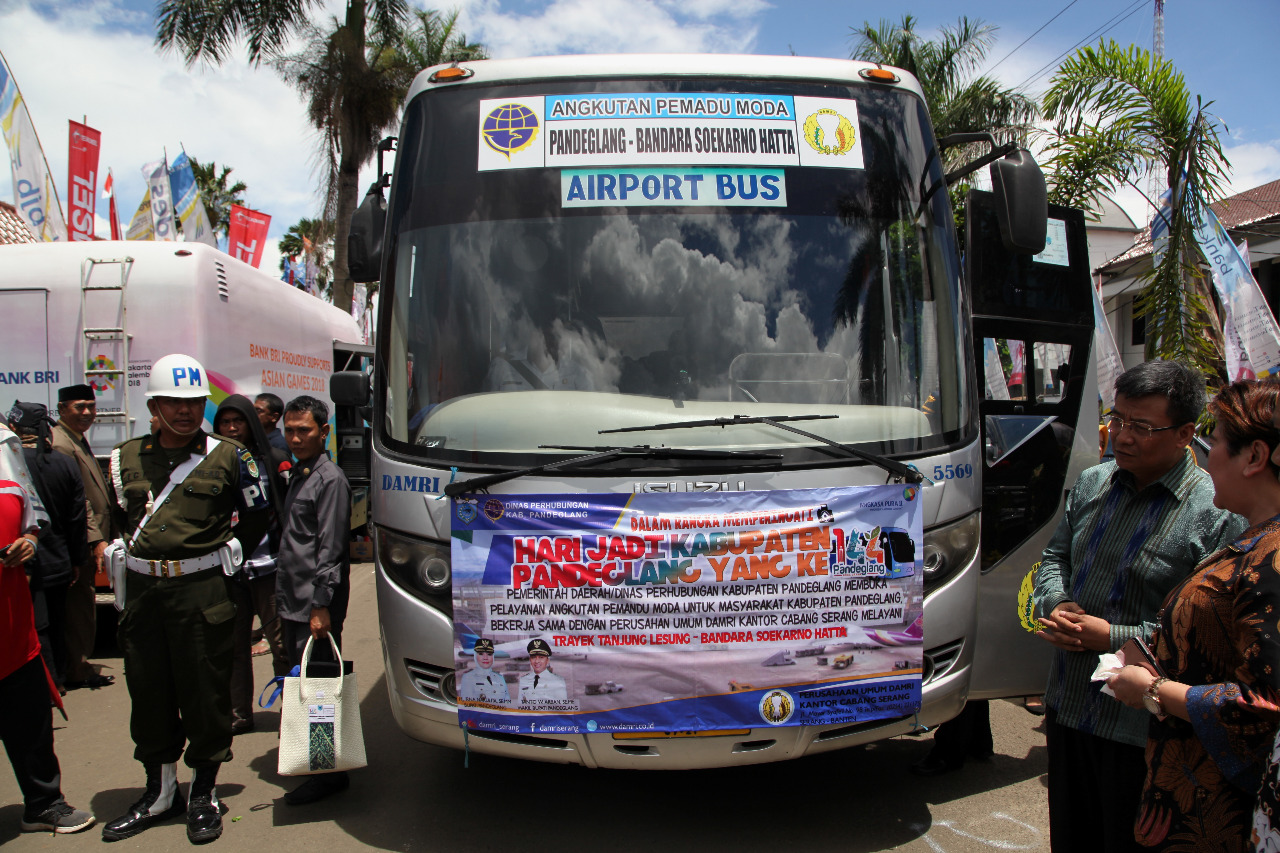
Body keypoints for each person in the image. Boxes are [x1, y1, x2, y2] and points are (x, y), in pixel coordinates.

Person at [1032, 360, 1246, 853]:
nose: (1123, 437)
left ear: (1185, 434)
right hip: (1068, 708)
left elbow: (1206, 634)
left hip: (1143, 731)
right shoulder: (1093, 484)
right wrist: (1058, 600)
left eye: (1142, 427)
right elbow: (1054, 557)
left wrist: (1110, 636)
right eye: (1119, 420)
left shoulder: (1215, 513)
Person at [101, 354, 271, 844]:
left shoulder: (230, 456)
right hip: (145, 595)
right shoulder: (125, 457)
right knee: (149, 693)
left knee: (205, 693)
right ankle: (158, 791)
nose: (185, 412)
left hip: (203, 592)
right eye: (173, 403)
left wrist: (220, 551)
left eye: (194, 402)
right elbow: (120, 517)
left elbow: (258, 516)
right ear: (153, 405)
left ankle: (203, 792)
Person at [1106, 380, 1280, 851]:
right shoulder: (1254, 541)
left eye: (1217, 441)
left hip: (1218, 812)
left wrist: (1155, 691)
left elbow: (1262, 703)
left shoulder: (1273, 561)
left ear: (1255, 456)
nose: (1208, 456)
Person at [1, 463, 95, 834]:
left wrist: (29, 543)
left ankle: (43, 803)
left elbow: (31, 526)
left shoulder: (9, 484)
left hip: (14, 634)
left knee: (31, 724)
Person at [275, 394, 352, 806]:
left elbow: (330, 549)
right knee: (303, 685)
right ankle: (313, 758)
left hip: (313, 606)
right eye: (289, 430)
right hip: (293, 600)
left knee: (320, 689)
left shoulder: (330, 480)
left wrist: (321, 606)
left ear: (324, 432)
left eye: (303, 430)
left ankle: (328, 772)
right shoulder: (300, 474)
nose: (295, 437)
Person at [213, 395, 290, 735]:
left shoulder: (272, 459)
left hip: (269, 567)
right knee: (233, 645)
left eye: (238, 421)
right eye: (224, 422)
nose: (231, 428)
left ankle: (291, 710)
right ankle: (238, 712)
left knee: (280, 644)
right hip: (229, 572)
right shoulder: (210, 464)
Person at [8, 402, 87, 693]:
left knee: (33, 624)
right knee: (56, 621)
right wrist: (77, 559)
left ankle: (46, 682)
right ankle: (59, 678)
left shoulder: (11, 464)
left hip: (21, 559)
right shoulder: (64, 463)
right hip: (59, 559)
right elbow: (77, 518)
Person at [51, 383, 117, 690]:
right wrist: (95, 540)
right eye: (80, 407)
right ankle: (76, 667)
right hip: (80, 540)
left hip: (89, 535)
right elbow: (81, 500)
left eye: (91, 406)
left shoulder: (75, 439)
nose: (88, 413)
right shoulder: (62, 444)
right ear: (63, 409)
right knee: (79, 606)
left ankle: (77, 662)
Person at [457, 638, 512, 705]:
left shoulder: (500, 678)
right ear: (475, 656)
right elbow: (468, 708)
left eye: (489, 654)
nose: (485, 657)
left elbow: (507, 704)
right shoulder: (468, 678)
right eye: (481, 654)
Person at [517, 639, 567, 704]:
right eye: (534, 657)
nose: (537, 661)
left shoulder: (558, 681)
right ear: (530, 660)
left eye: (541, 657)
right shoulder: (524, 680)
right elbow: (519, 707)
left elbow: (562, 710)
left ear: (547, 660)